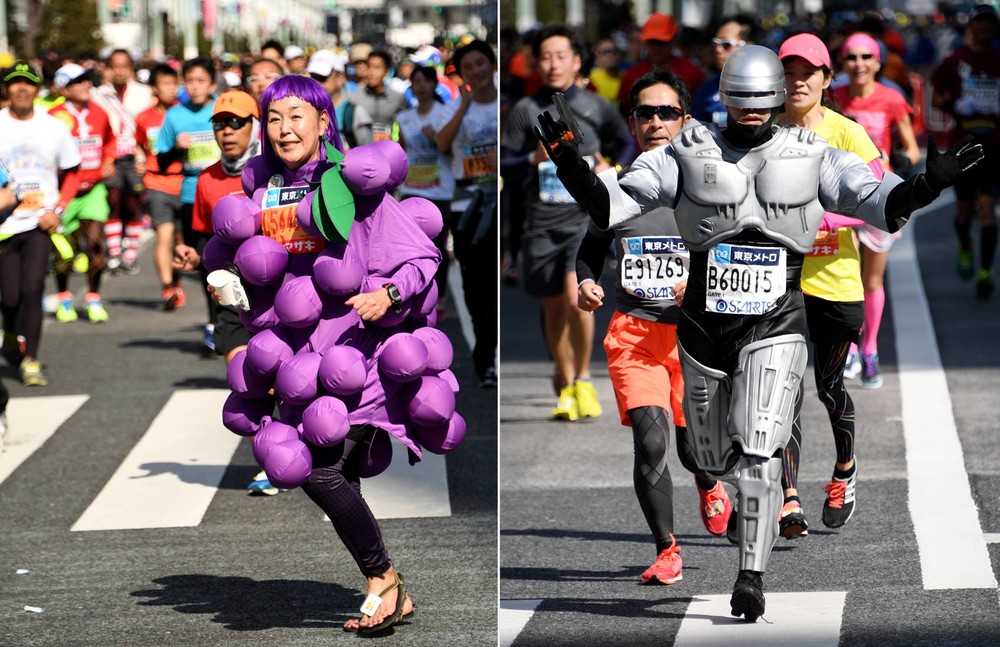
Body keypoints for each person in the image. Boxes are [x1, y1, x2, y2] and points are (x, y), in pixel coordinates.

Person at [537, 44, 982, 621]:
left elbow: (880, 204)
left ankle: (751, 575)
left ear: (775, 98)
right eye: (741, 101)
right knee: (708, 454)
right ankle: (718, 491)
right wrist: (572, 165)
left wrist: (927, 184)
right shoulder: (684, 151)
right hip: (701, 323)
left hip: (777, 316)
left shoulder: (815, 154)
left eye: (761, 100)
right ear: (724, 97)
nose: (751, 111)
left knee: (762, 442)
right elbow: (612, 205)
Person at [241, 74, 439, 631]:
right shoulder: (266, 189)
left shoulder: (351, 183)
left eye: (296, 116)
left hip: (356, 354)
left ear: (324, 122)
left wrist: (388, 294)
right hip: (297, 355)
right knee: (325, 474)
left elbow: (422, 258)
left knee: (321, 472)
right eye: (274, 118)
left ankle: (383, 579)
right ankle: (388, 583)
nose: (284, 129)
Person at [575, 70, 733, 585]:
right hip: (635, 334)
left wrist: (704, 284)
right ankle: (666, 548)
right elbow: (590, 253)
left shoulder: (707, 185)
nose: (657, 122)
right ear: (633, 122)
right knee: (650, 442)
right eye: (646, 113)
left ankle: (709, 481)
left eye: (667, 113)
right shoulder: (618, 188)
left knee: (693, 451)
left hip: (694, 336)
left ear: (685, 121)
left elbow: (738, 249)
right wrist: (585, 284)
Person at [773, 33, 883, 539]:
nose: (798, 81)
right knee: (782, 392)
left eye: (808, 72)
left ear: (825, 78)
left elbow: (881, 197)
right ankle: (788, 498)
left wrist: (828, 221)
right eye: (789, 72)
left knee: (829, 386)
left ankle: (844, 470)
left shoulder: (847, 133)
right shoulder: (765, 130)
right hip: (779, 285)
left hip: (836, 282)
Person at [501, 25, 634, 419]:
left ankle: (583, 380)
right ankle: (563, 376)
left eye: (561, 55)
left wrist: (615, 166)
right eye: (545, 56)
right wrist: (530, 160)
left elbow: (625, 139)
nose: (553, 63)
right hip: (541, 222)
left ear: (577, 61)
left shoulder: (595, 105)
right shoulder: (525, 110)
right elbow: (504, 161)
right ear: (535, 63)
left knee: (579, 299)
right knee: (554, 309)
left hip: (584, 217)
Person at [832, 33, 921, 388]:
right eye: (851, 57)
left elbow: (913, 151)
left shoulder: (892, 99)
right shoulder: (833, 97)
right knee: (847, 278)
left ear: (878, 62)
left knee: (871, 280)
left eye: (866, 56)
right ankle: (851, 349)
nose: (859, 64)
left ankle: (869, 349)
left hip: (877, 199)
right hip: (838, 198)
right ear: (842, 62)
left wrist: (894, 163)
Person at [0, 61, 82, 386]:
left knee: (33, 290)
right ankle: (9, 330)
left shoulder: (54, 127)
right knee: (8, 297)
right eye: (15, 83)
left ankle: (30, 359)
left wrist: (58, 210)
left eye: (28, 84)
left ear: (38, 89)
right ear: (7, 89)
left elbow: (73, 171)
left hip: (40, 222)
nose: (22, 89)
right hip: (5, 223)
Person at [931, 4, 1000, 299]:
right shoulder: (955, 61)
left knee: (987, 210)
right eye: (979, 23)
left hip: (996, 149)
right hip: (965, 147)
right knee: (963, 213)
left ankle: (985, 271)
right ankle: (965, 246)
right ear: (971, 27)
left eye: (989, 23)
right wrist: (954, 109)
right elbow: (935, 98)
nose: (984, 28)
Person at [155, 56, 220, 353]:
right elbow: (161, 160)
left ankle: (232, 320)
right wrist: (176, 149)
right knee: (204, 261)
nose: (195, 86)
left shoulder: (223, 108)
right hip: (191, 195)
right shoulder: (175, 116)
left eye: (200, 80)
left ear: (212, 84)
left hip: (226, 192)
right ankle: (213, 322)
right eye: (190, 80)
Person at [48, 63, 117, 324]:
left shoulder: (99, 112)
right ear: (64, 89)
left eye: (87, 80)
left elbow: (110, 141)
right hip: (62, 193)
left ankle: (93, 298)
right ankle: (64, 297)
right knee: (65, 253)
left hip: (93, 190)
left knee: (95, 244)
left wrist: (108, 160)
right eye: (78, 82)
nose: (86, 85)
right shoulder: (53, 116)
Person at [398, 65, 454, 322]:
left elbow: (452, 150)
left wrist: (435, 139)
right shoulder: (404, 118)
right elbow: (403, 152)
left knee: (438, 247)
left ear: (435, 85)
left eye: (425, 81)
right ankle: (416, 292)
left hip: (441, 191)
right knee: (412, 249)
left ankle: (439, 295)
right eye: (416, 81)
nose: (421, 86)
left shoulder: (446, 113)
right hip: (412, 191)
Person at [93, 49, 154, 275]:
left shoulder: (143, 92)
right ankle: (115, 251)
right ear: (108, 68)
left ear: (131, 68)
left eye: (124, 66)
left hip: (136, 156)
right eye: (114, 66)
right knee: (113, 200)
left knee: (134, 203)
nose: (119, 71)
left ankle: (131, 253)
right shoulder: (98, 94)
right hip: (110, 158)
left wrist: (146, 156)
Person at [136, 63, 186, 310]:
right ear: (154, 88)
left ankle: (177, 281)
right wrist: (138, 159)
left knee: (181, 239)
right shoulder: (144, 118)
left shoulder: (184, 113)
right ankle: (167, 287)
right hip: (157, 183)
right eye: (165, 83)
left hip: (185, 183)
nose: (171, 88)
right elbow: (137, 144)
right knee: (163, 237)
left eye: (174, 83)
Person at [618, 13, 706, 115]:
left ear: (673, 41)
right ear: (645, 42)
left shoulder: (693, 73)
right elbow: (624, 112)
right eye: (652, 42)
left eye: (662, 42)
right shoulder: (631, 75)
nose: (656, 48)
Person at [691, 15, 757, 127]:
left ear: (749, 46)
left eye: (726, 44)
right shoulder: (706, 91)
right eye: (715, 44)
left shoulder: (767, 86)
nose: (718, 50)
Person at [306, 49, 374, 149]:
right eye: (313, 77)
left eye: (322, 78)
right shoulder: (305, 111)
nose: (317, 83)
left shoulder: (355, 113)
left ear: (340, 79)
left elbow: (369, 156)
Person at [349, 50, 406, 143]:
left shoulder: (398, 98)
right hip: (362, 154)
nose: (372, 72)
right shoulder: (354, 98)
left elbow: (405, 129)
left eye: (377, 67)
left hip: (389, 153)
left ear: (386, 71)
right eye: (369, 66)